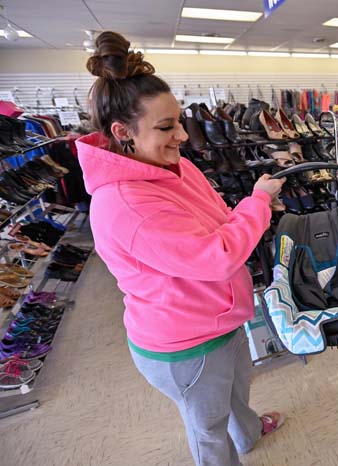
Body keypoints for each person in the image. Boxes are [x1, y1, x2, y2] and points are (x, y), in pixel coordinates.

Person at [76, 31, 286, 466]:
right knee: (207, 426)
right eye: (167, 127)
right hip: (184, 342)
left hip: (217, 316)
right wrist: (259, 202)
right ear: (123, 132)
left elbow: (217, 219)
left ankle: (246, 433)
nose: (183, 137)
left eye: (180, 123)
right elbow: (217, 255)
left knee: (235, 392)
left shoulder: (172, 166)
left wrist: (246, 212)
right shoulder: (128, 204)